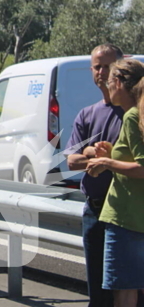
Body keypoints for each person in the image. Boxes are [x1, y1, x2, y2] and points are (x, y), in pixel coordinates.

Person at [66, 43, 126, 307]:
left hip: (128, 213)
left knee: (127, 292)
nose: (102, 72)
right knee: (99, 294)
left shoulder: (133, 113)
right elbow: (71, 160)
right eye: (97, 66)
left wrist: (104, 158)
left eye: (107, 65)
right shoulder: (87, 114)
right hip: (95, 211)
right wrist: (93, 154)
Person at [85, 58, 144, 307]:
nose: (108, 87)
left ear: (118, 83)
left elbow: (142, 166)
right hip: (136, 218)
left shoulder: (131, 117)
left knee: (123, 291)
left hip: (126, 219)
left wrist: (107, 164)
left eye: (110, 82)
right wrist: (111, 154)